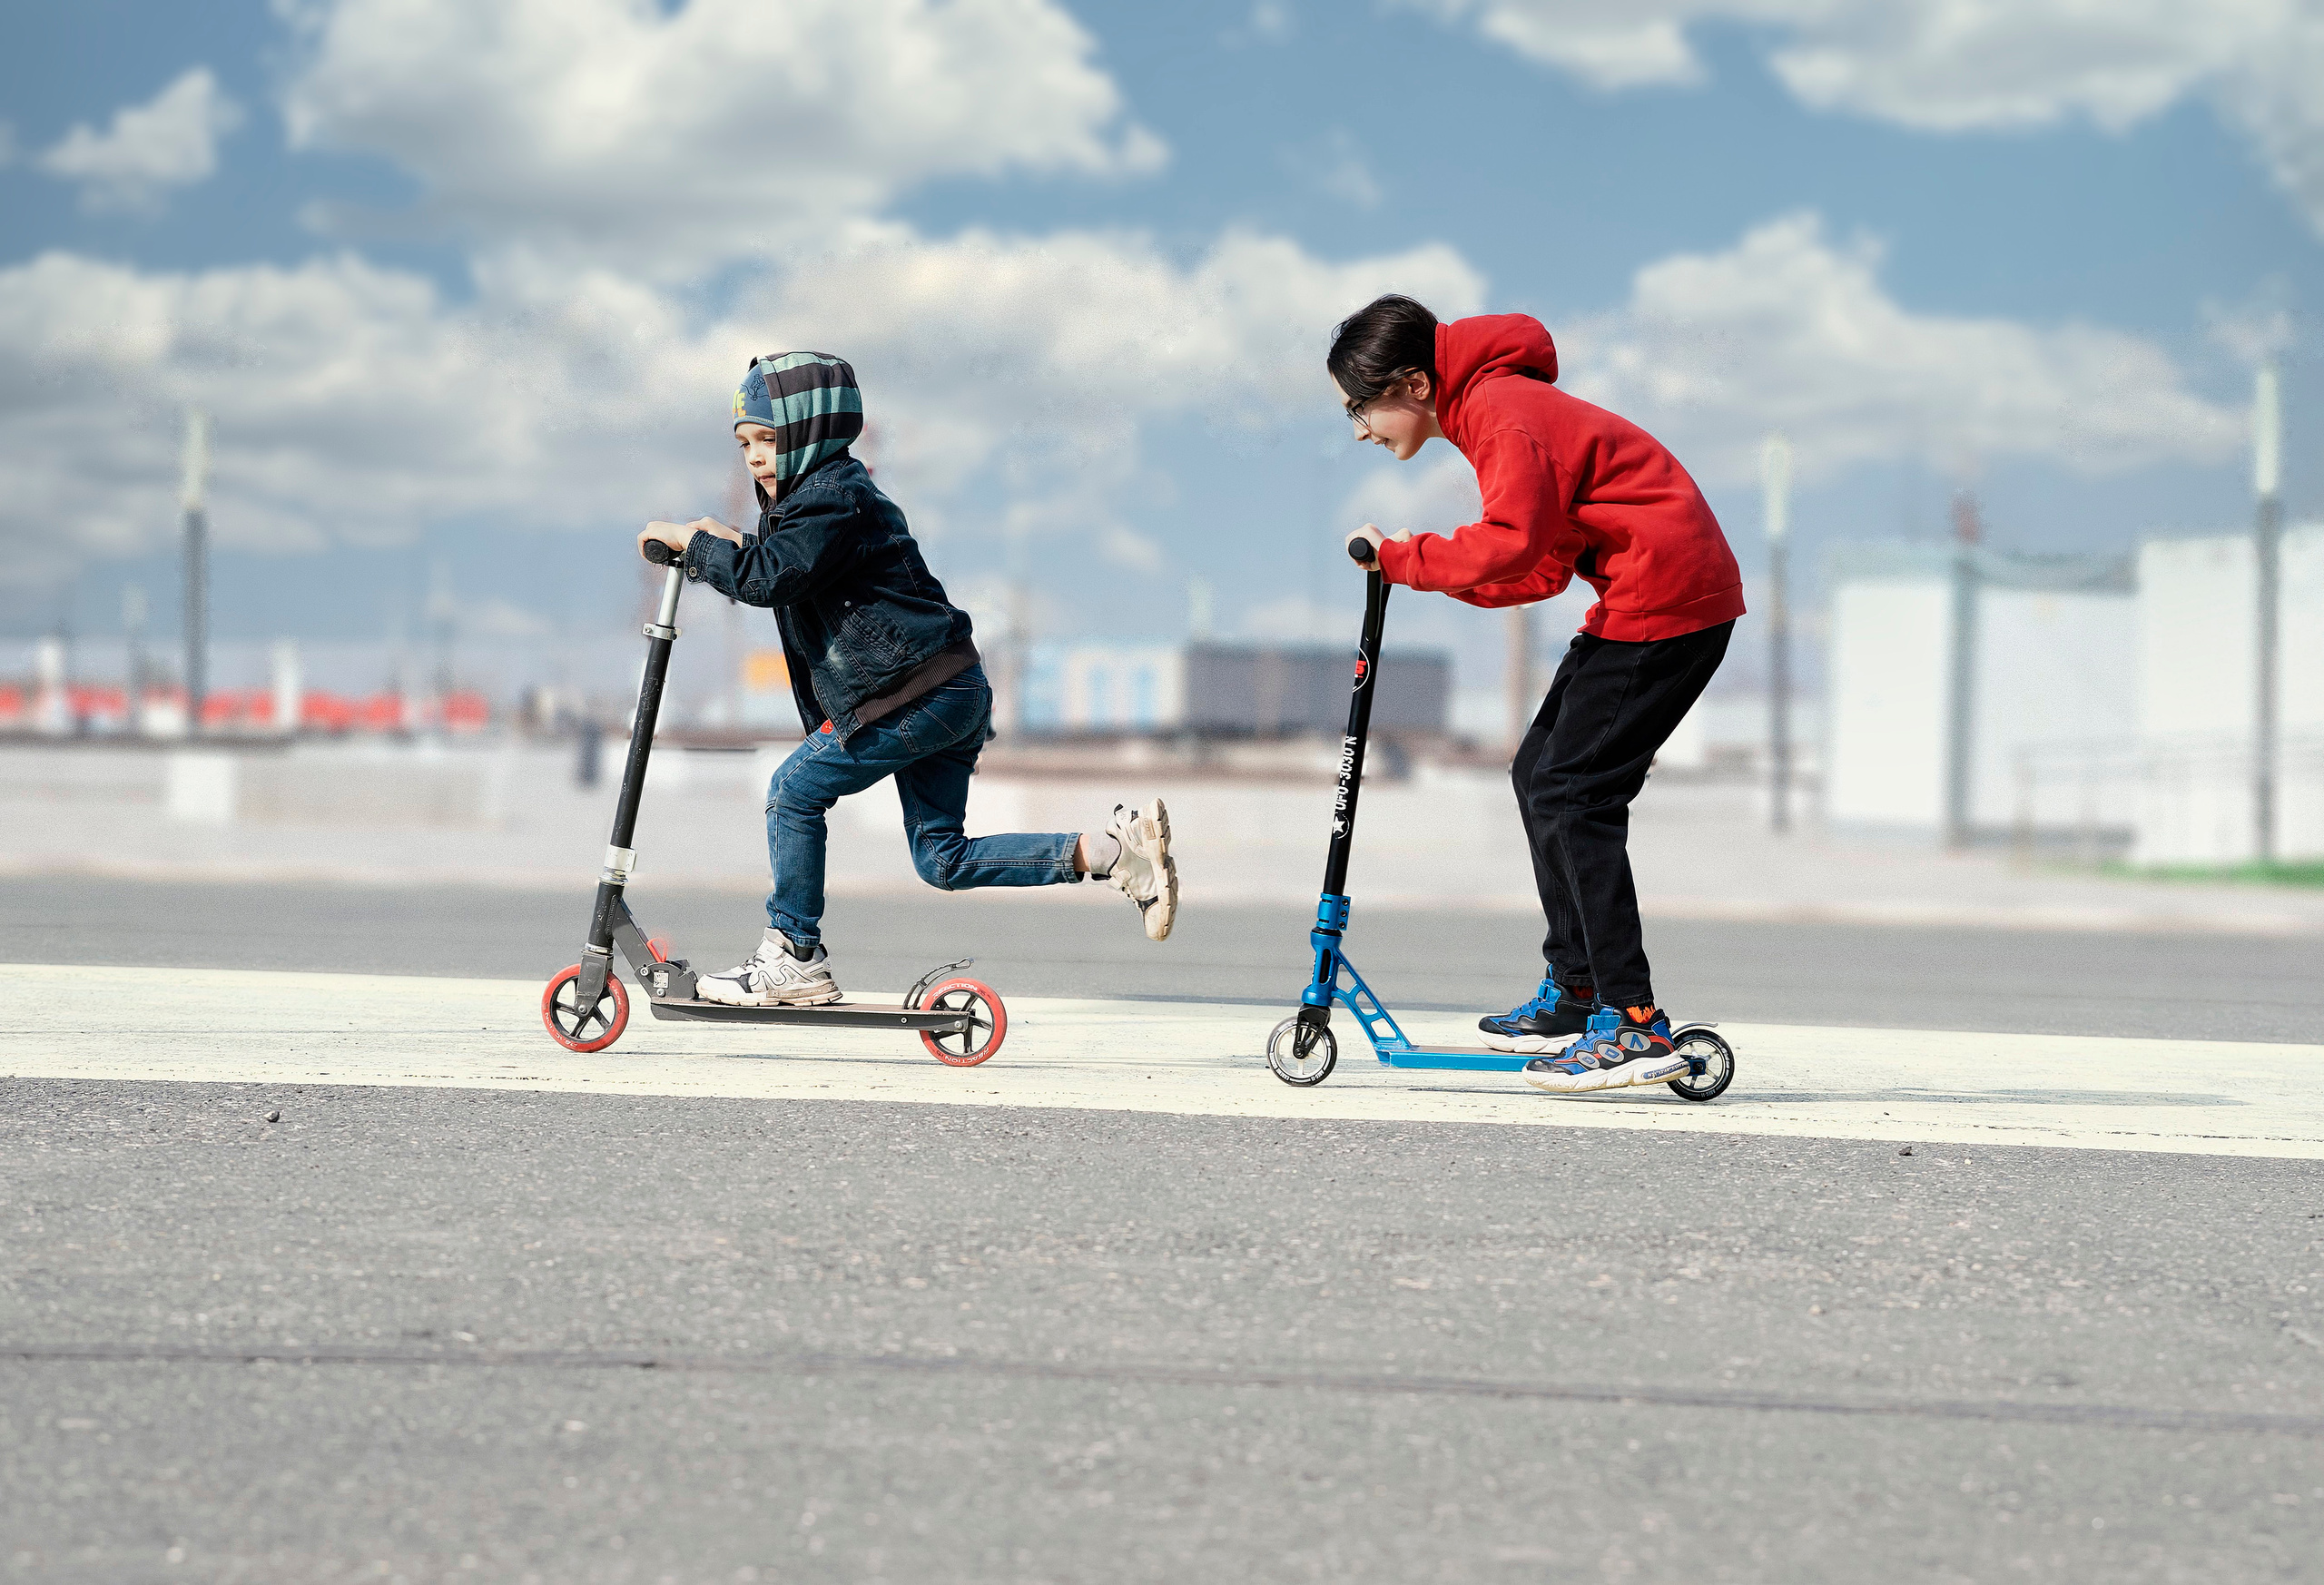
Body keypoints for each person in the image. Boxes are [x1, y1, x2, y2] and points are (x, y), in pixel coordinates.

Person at [637, 350, 1177, 1007]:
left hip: (916, 694)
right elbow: (784, 566)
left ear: (814, 432)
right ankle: (1114, 854)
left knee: (793, 791)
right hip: (947, 691)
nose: (753, 456)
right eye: (744, 443)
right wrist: (730, 545)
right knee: (942, 860)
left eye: (769, 440)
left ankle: (795, 954)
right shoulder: (815, 506)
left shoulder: (835, 495)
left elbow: (772, 578)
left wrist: (696, 548)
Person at [1328, 296, 1742, 1093]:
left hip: (1668, 601)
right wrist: (1424, 574)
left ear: (1413, 383)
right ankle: (1579, 984)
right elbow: (1541, 564)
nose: (1360, 431)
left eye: (1361, 408)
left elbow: (1514, 541)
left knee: (1576, 793)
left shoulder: (1500, 412)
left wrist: (1409, 556)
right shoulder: (1490, 412)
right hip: (1647, 597)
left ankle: (1632, 1021)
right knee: (1539, 773)